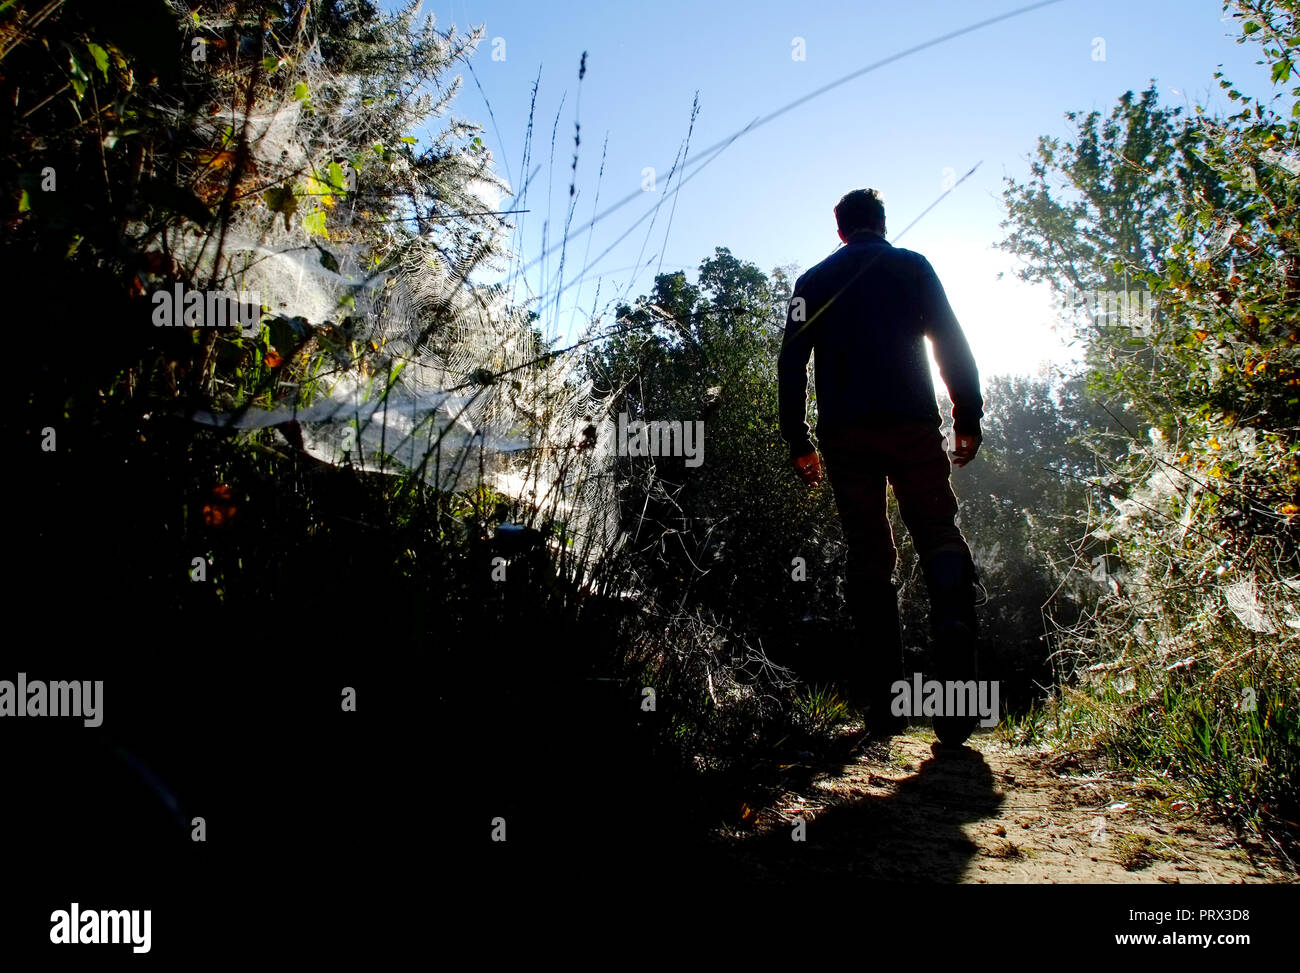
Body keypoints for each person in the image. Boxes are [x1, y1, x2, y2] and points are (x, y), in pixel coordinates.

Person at [778, 187, 985, 746]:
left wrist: (798, 438)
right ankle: (956, 690)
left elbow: (791, 361)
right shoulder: (913, 268)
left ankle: (886, 704)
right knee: (939, 535)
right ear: (883, 224)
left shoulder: (813, 281)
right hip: (912, 425)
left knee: (870, 553)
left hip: (846, 436)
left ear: (841, 230)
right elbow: (949, 340)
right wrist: (967, 413)